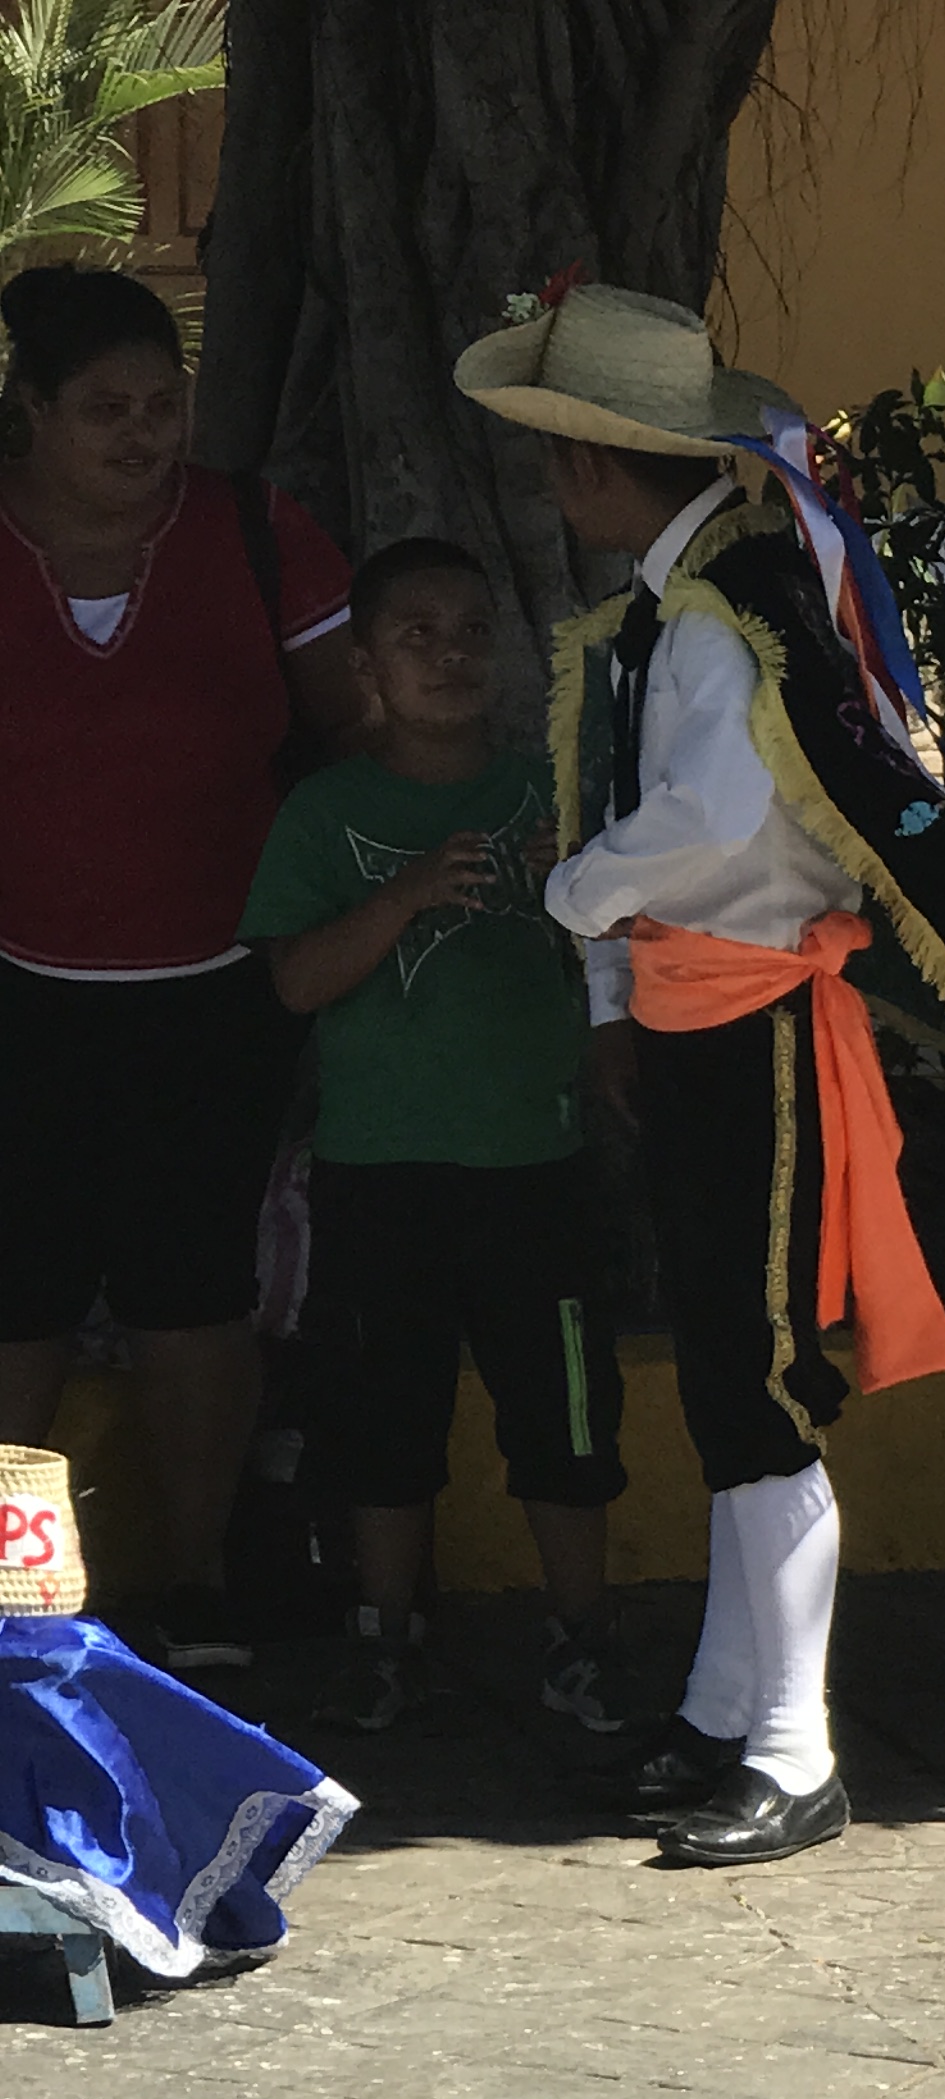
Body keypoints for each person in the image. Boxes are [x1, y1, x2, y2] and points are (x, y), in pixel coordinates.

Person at [457, 282, 945, 1866]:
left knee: (759, 1378)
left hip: (759, 1013)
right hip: (703, 1012)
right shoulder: (693, 599)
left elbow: (713, 820)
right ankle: (727, 1712)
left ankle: (793, 1745)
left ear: (587, 463)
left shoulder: (728, 611)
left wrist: (574, 895)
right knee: (729, 1368)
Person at [0, 265, 362, 1671]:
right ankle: (18, 1600)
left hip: (218, 993)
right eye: (107, 409)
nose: (146, 434)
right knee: (15, 1301)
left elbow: (351, 739)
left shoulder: (256, 534)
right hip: (17, 993)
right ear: (31, 411)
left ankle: (202, 1582)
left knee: (194, 1296)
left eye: (164, 404)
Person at [241, 536, 630, 1737]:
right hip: (380, 1169)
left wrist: (582, 888)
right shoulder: (327, 811)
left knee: (565, 1415)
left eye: (471, 633)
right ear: (365, 666)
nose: (450, 657)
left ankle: (582, 1641)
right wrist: (406, 892)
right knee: (382, 1417)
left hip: (537, 1164)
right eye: (418, 636)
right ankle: (383, 1640)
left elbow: (629, 962)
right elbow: (296, 981)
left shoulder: (554, 793)